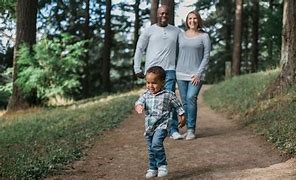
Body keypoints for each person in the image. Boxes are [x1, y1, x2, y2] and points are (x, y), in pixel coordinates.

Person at [133, 5, 183, 140]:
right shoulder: (149, 31)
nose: (164, 16)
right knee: (152, 101)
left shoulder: (177, 31)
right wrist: (137, 68)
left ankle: (173, 129)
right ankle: (154, 127)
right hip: (152, 71)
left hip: (169, 70)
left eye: (166, 14)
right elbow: (139, 48)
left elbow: (187, 45)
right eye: (161, 13)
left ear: (169, 15)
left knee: (170, 99)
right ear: (157, 14)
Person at [135, 66, 186, 178]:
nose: (150, 86)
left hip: (162, 125)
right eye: (148, 83)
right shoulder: (146, 95)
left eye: (154, 83)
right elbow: (139, 102)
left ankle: (162, 165)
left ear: (162, 82)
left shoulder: (168, 94)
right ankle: (152, 168)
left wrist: (182, 117)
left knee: (156, 144)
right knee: (150, 148)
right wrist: (139, 106)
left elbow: (178, 106)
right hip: (149, 127)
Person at [176, 10, 211, 140]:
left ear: (198, 21)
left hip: (196, 75)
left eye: (195, 19)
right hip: (180, 73)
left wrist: (199, 74)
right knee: (185, 101)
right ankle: (187, 129)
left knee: (191, 97)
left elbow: (206, 56)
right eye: (190, 19)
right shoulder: (180, 35)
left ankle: (191, 130)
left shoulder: (204, 37)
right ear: (187, 21)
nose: (192, 21)